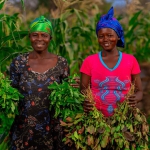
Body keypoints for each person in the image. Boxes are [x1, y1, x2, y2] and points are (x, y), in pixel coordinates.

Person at [9, 16, 70, 150]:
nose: (39, 39)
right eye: (35, 35)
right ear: (29, 37)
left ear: (51, 38)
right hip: (24, 130)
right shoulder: (18, 62)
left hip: (52, 132)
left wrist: (73, 87)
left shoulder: (61, 63)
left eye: (44, 35)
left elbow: (66, 96)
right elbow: (11, 92)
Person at [80, 7, 143, 117]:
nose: (105, 39)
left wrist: (135, 98)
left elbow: (140, 91)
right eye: (101, 36)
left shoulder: (130, 60)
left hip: (124, 119)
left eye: (110, 35)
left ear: (118, 37)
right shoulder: (89, 61)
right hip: (96, 121)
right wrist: (85, 102)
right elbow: (83, 91)